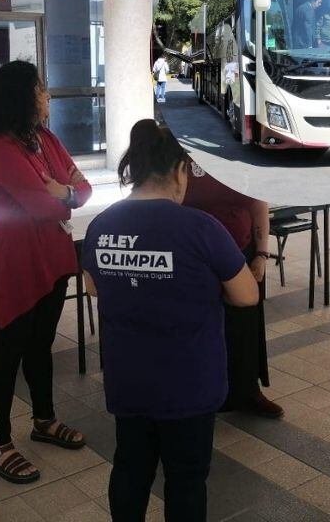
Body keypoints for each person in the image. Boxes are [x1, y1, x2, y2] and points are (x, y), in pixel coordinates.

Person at [82, 119, 259, 521]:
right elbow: (247, 295)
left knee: (130, 470)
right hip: (188, 385)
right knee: (186, 481)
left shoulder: (102, 225)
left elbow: (93, 287)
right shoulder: (201, 228)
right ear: (180, 170)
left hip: (129, 381)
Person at [0, 60, 92, 485]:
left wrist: (65, 193)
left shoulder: (45, 138)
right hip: (14, 264)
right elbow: (42, 206)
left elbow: (84, 189)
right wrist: (64, 196)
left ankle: (44, 420)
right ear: (22, 97)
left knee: (41, 346)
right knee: (7, 353)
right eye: (40, 89)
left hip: (51, 257)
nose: (47, 96)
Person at [183, 163, 283, 418]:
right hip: (195, 258)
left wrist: (261, 253)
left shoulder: (237, 158)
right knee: (203, 327)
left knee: (245, 324)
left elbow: (258, 204)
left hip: (241, 254)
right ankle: (202, 392)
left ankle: (247, 391)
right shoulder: (181, 158)